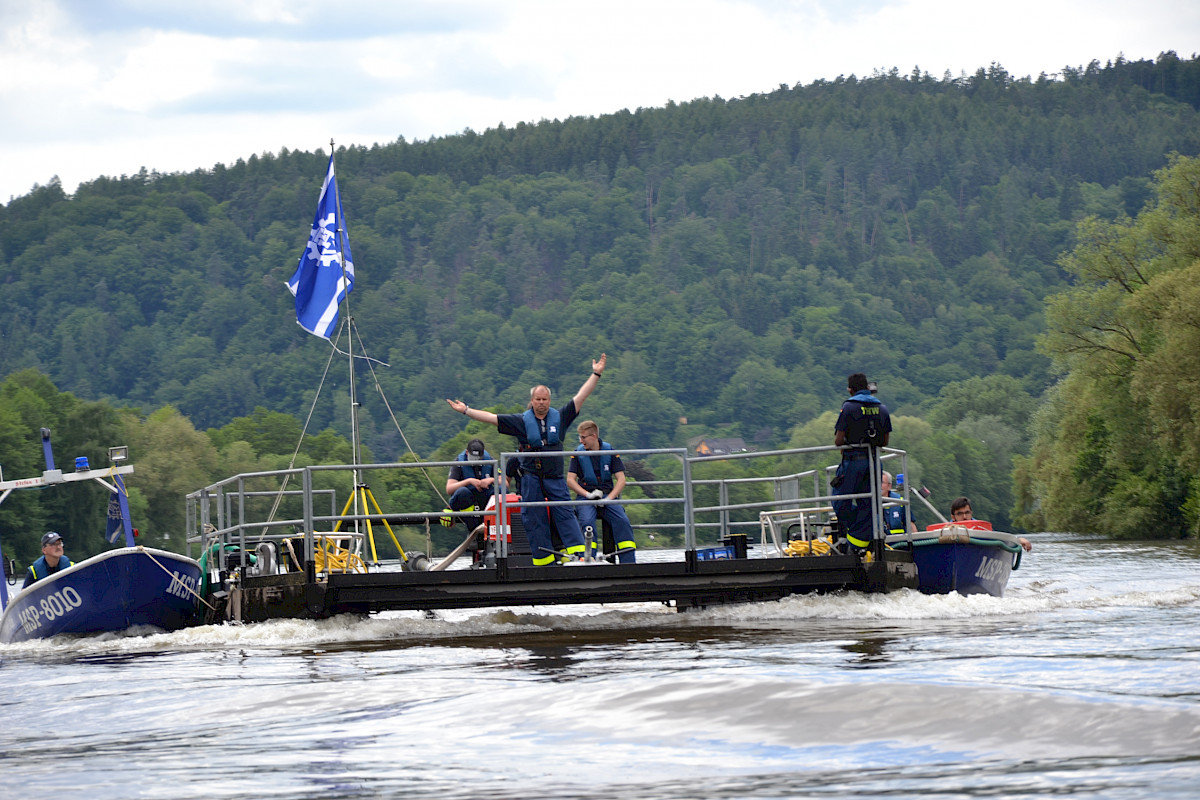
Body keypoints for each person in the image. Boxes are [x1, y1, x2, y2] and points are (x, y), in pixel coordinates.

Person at [446, 354, 606, 565]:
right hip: (531, 479)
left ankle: (578, 555)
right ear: (532, 401)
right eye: (538, 399)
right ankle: (543, 560)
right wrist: (466, 410)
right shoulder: (521, 421)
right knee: (533, 518)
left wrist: (596, 374)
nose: (541, 403)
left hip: (555, 478)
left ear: (549, 400)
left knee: (565, 513)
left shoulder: (561, 417)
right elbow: (492, 418)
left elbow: (581, 396)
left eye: (545, 399)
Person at [831, 373, 891, 553]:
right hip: (873, 463)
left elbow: (838, 441)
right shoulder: (882, 408)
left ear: (850, 390)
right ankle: (862, 539)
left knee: (840, 500)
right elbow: (885, 442)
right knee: (869, 505)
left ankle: (855, 539)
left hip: (853, 462)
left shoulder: (849, 407)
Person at [566, 420, 637, 563]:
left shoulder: (609, 451)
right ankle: (588, 558)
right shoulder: (577, 454)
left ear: (593, 436)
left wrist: (609, 499)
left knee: (622, 520)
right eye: (580, 437)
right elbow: (570, 480)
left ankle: (628, 562)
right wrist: (587, 494)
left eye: (583, 437)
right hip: (586, 497)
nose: (581, 441)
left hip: (607, 496)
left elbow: (621, 480)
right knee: (587, 521)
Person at [442, 438, 497, 533]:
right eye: (473, 458)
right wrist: (469, 481)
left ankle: (494, 529)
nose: (475, 461)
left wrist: (491, 480)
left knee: (500, 491)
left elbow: (505, 483)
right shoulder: (459, 462)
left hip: (484, 497)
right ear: (467, 452)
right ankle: (473, 531)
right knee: (462, 492)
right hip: (467, 500)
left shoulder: (490, 461)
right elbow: (449, 488)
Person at [950, 496, 1032, 552]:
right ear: (953, 517)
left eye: (967, 512)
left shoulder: (981, 528)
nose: (964, 517)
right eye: (960, 514)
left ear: (971, 513)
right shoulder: (944, 531)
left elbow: (998, 537)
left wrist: (1018, 540)